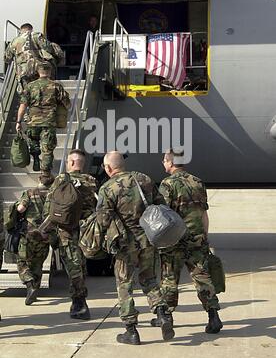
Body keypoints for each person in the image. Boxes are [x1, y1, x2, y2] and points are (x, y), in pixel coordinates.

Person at [96, 151, 175, 345]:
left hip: (125, 245)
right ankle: (162, 314)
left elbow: (103, 220)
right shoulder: (143, 179)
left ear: (108, 168)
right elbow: (161, 204)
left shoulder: (108, 188)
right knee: (149, 279)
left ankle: (131, 330)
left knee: (125, 285)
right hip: (148, 239)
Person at [155, 147, 223, 334]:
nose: (163, 163)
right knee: (202, 277)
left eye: (164, 160)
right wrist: (205, 237)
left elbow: (163, 215)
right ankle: (213, 315)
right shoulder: (197, 182)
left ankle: (167, 317)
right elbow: (203, 214)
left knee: (169, 278)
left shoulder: (167, 184)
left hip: (173, 240)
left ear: (170, 162)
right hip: (197, 238)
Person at [43, 149, 98, 320]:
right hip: (86, 230)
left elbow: (50, 208)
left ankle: (79, 302)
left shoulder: (60, 180)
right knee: (81, 265)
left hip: (66, 231)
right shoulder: (91, 181)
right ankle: (80, 298)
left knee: (73, 267)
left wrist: (47, 231)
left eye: (68, 162)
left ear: (72, 163)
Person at [15, 63, 71, 185]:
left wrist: (18, 122)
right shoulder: (56, 86)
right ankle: (45, 175)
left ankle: (35, 157)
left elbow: (23, 106)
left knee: (34, 142)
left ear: (38, 72)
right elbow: (67, 103)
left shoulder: (30, 86)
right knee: (47, 150)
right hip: (48, 122)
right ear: (50, 72)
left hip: (32, 122)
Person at [16, 183, 53, 305]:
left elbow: (20, 209)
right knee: (37, 264)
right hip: (44, 236)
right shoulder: (53, 195)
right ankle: (34, 292)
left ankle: (29, 284)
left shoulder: (30, 192)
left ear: (39, 180)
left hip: (29, 235)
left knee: (22, 261)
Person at [4, 23, 59, 94]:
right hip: (37, 69)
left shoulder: (14, 40)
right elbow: (48, 48)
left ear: (21, 30)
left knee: (27, 93)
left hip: (22, 71)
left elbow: (7, 58)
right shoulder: (36, 35)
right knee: (40, 91)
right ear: (31, 29)